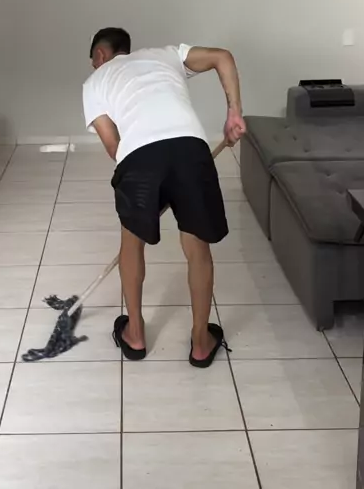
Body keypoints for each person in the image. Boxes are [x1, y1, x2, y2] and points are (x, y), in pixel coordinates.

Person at [82, 27, 246, 367]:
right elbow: (223, 57)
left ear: (100, 55)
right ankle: (201, 343)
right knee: (197, 247)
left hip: (139, 158)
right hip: (190, 148)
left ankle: (135, 334)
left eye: (94, 60)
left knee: (131, 244)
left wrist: (150, 180)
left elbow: (114, 147)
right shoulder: (165, 54)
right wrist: (233, 114)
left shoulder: (94, 82)